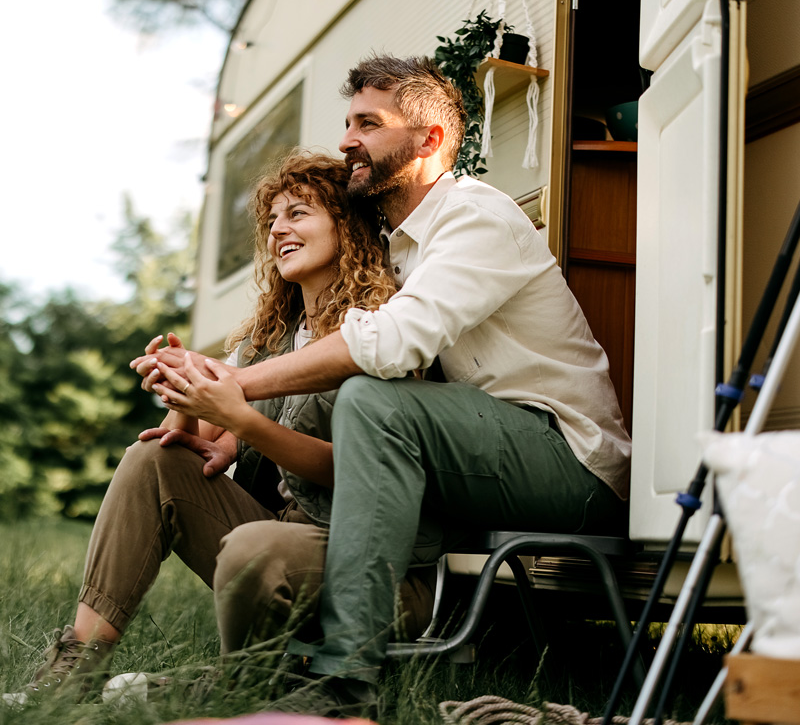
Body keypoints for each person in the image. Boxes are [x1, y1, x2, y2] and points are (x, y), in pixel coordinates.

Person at [135, 54, 632, 715]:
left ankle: (342, 688)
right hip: (479, 458)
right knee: (365, 408)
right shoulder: (397, 246)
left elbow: (393, 343)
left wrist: (234, 384)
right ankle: (280, 675)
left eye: (368, 123)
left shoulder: (474, 216)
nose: (347, 141)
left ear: (429, 141)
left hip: (568, 461)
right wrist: (219, 418)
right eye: (348, 122)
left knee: (376, 397)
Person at [11, 150, 438, 703]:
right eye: (273, 219)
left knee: (254, 545)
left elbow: (367, 475)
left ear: (348, 225)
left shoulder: (386, 330)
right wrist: (185, 386)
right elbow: (179, 441)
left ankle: (237, 687)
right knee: (151, 460)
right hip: (274, 536)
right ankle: (74, 672)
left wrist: (242, 420)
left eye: (299, 213)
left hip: (377, 568)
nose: (278, 228)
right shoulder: (268, 339)